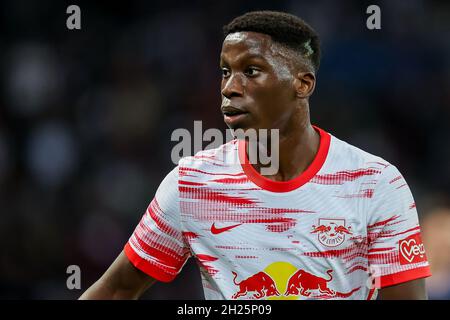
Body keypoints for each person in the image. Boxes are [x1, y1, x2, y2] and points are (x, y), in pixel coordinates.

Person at [80, 10, 431, 300]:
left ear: (303, 83)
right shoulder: (192, 184)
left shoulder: (376, 184)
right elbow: (116, 291)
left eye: (251, 71)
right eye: (224, 72)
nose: (230, 88)